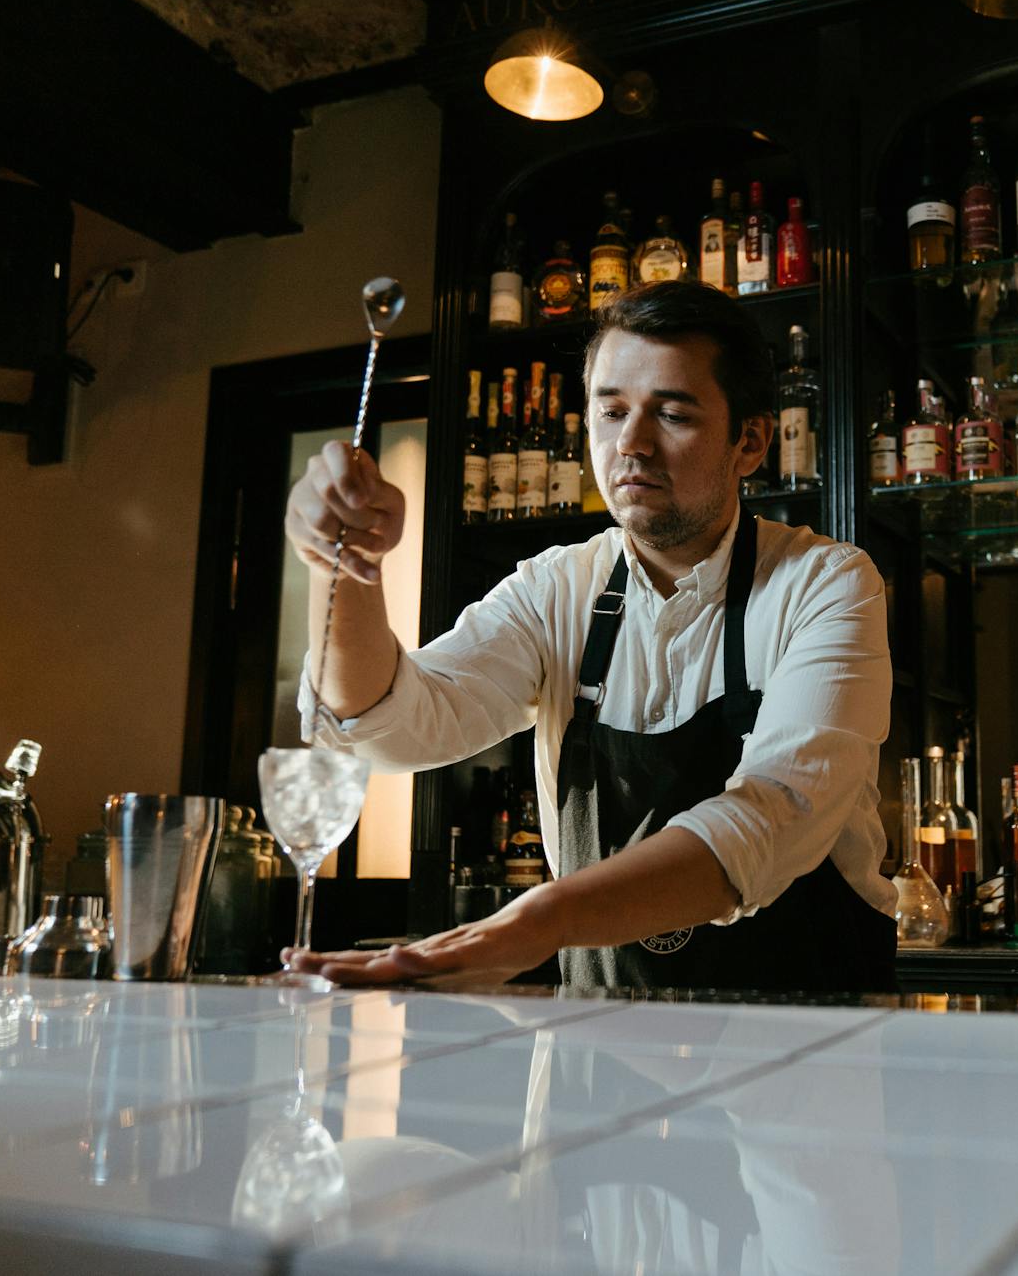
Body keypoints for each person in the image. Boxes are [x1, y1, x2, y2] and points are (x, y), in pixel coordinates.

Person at [282, 280, 895, 990]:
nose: (630, 444)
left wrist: (540, 919)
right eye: (610, 411)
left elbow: (774, 815)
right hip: (594, 1058)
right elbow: (388, 729)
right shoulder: (556, 590)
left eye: (672, 413)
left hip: (803, 1060)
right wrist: (343, 571)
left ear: (751, 441)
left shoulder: (827, 583)